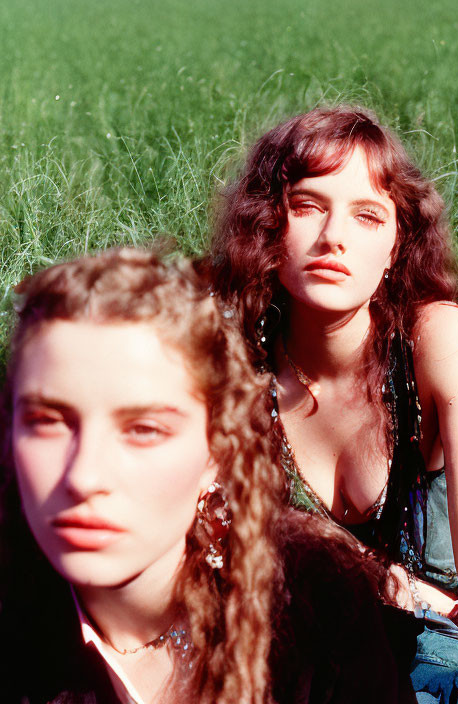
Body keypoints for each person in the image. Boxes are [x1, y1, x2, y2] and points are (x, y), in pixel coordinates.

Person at [208, 106, 458, 704]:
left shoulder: (435, 342)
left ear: (395, 248)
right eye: (307, 206)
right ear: (266, 225)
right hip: (320, 661)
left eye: (367, 215)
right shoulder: (236, 368)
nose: (333, 236)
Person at [0, 247, 414, 703]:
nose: (83, 475)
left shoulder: (319, 617)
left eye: (143, 429)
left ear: (215, 450)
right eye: (48, 422)